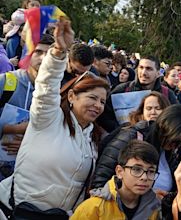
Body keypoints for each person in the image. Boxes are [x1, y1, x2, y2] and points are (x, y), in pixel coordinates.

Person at [0, 18, 109, 219]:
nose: (97, 105)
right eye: (92, 98)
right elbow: (47, 85)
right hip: (18, 212)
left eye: (102, 101)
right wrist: (59, 52)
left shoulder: (92, 138)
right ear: (71, 96)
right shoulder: (48, 116)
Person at [0, 34, 54, 181]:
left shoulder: (56, 94)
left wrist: (29, 143)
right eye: (38, 52)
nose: (43, 58)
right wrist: (11, 129)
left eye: (49, 54)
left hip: (27, 178)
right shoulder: (6, 82)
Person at [91, 92, 171, 189]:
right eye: (148, 108)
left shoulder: (168, 141)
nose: (153, 112)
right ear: (142, 112)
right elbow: (105, 169)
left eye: (158, 108)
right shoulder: (130, 134)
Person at [71, 140, 161, 220]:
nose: (144, 177)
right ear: (120, 171)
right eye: (137, 169)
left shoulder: (153, 208)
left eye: (151, 171)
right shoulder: (94, 207)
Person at [97, 55, 177, 133]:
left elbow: (175, 120)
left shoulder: (167, 94)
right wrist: (120, 130)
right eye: (141, 68)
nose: (143, 72)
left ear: (158, 73)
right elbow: (103, 116)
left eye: (149, 69)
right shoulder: (123, 89)